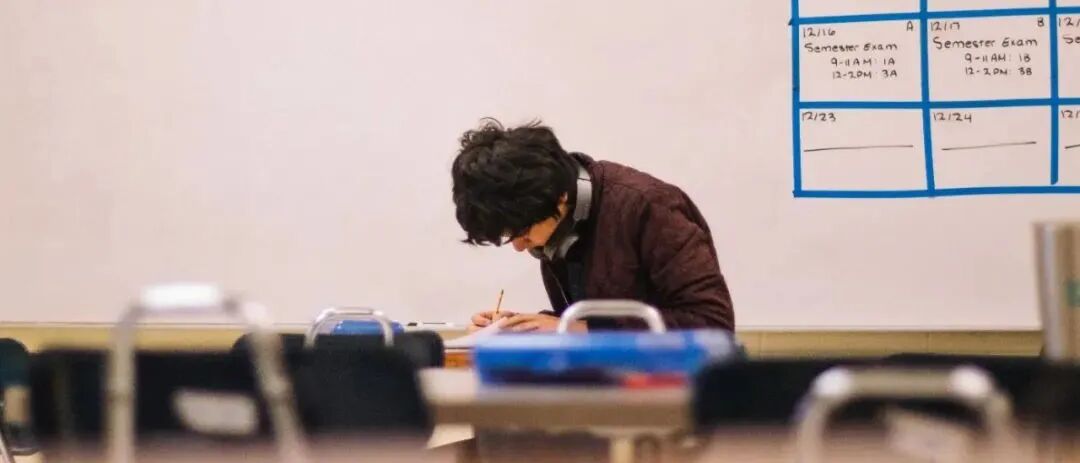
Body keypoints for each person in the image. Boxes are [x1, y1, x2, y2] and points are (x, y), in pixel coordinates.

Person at [451, 119, 734, 333]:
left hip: (674, 388)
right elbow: (595, 320)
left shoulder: (648, 206)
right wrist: (521, 327)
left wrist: (578, 330)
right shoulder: (560, 224)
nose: (518, 246)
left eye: (523, 232)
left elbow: (713, 323)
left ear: (560, 198)